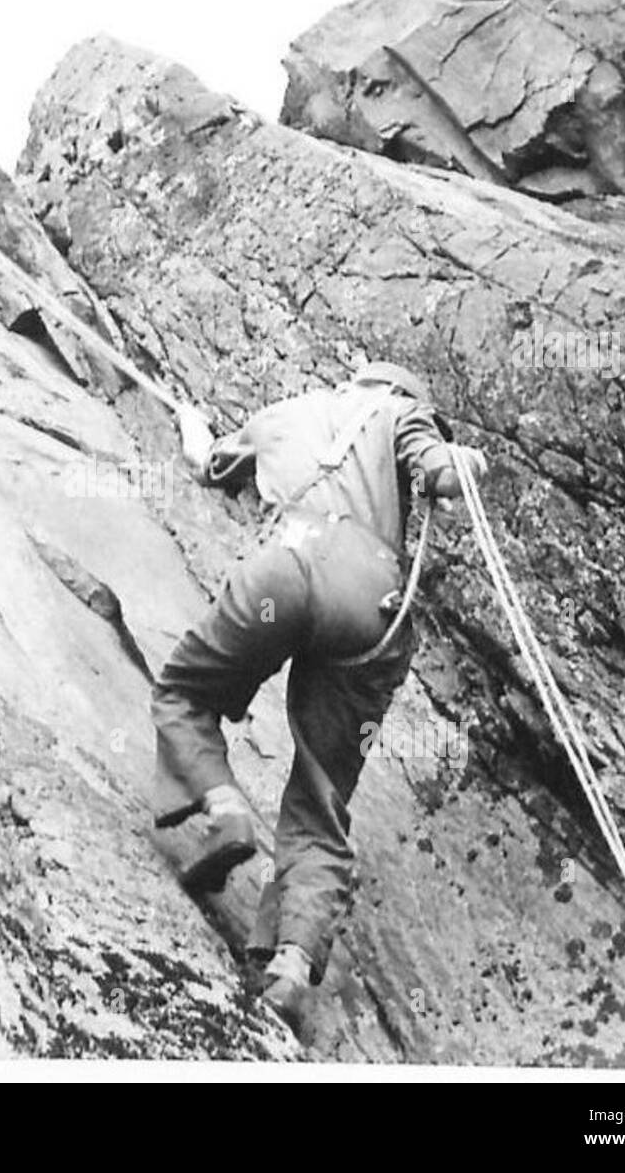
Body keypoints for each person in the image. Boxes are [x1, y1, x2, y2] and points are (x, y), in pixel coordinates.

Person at [152, 361, 489, 1034]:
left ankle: (223, 808)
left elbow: (202, 463)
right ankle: (292, 964)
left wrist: (191, 421)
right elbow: (436, 470)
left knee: (185, 692)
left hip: (284, 562)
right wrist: (469, 462)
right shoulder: (400, 415)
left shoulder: (287, 412)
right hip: (370, 601)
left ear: (356, 384)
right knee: (320, 794)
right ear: (400, 393)